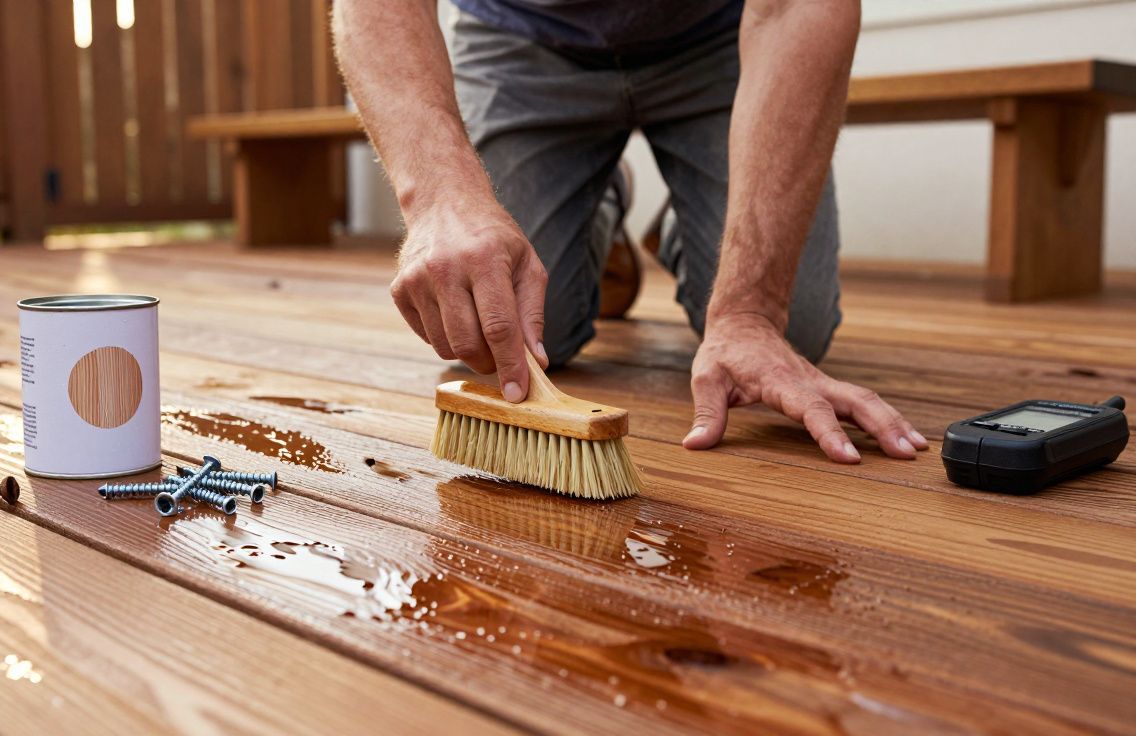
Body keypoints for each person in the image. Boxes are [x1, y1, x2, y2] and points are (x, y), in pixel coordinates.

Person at [333, 0, 929, 463]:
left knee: (792, 323)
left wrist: (748, 311)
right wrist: (442, 199)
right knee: (502, 323)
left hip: (722, 37)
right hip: (523, 42)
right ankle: (599, 207)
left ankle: (689, 226)